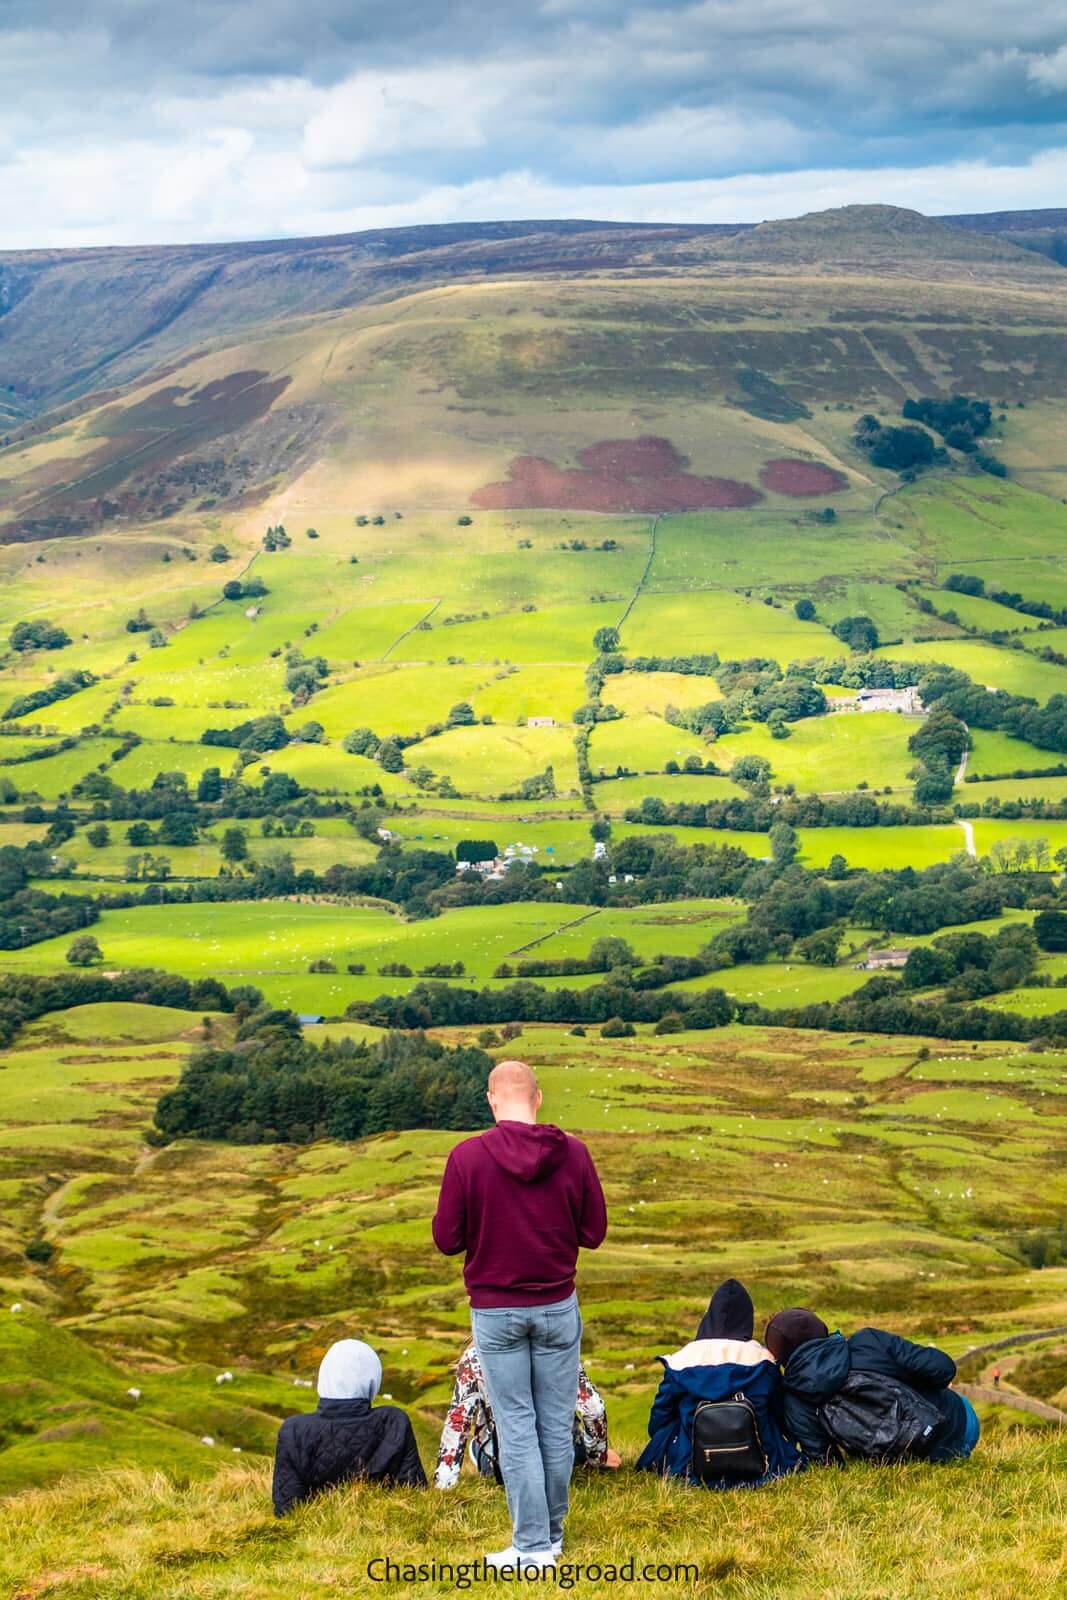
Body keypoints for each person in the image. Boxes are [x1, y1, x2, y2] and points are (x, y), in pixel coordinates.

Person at [432, 1058, 607, 1575]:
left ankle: (532, 1549)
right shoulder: (573, 1154)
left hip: (495, 1309)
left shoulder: (467, 1157)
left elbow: (447, 1239)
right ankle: (549, 1537)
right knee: (554, 1423)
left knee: (516, 1425)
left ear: (491, 1100)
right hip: (557, 1305)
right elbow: (593, 1232)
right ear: (537, 1098)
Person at [636, 1278, 800, 1487]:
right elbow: (781, 1413)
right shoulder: (764, 1362)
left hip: (690, 1463)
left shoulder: (681, 1361)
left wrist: (664, 1442)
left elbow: (660, 1416)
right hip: (762, 1461)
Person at [766, 1309, 980, 1464]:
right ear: (821, 1328)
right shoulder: (867, 1341)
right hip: (958, 1428)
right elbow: (944, 1369)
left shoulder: (794, 1400)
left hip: (898, 1462)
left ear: (781, 1357)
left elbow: (827, 1462)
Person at [433, 1340, 621, 1488]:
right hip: (563, 1462)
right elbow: (593, 1408)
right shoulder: (558, 1347)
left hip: (508, 1468)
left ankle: (485, 1453)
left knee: (487, 1421)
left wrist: (445, 1483)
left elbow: (458, 1422)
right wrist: (598, 1457)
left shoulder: (474, 1357)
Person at [272, 1339, 426, 1515]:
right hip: (381, 1531)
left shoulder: (294, 1430)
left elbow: (286, 1510)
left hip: (318, 1537)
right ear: (373, 1378)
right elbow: (415, 1494)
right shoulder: (393, 1421)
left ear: (325, 1374)